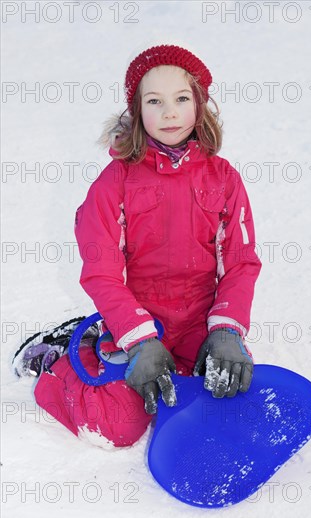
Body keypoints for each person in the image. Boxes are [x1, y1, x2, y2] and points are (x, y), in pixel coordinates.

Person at [13, 44, 262, 448]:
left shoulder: (224, 178)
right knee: (117, 425)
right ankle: (63, 360)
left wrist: (227, 330)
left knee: (228, 399)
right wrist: (139, 339)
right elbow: (101, 271)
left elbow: (240, 263)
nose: (169, 113)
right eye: (154, 101)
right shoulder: (115, 183)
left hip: (199, 321)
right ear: (136, 110)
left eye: (182, 99)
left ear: (200, 104)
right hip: (137, 317)